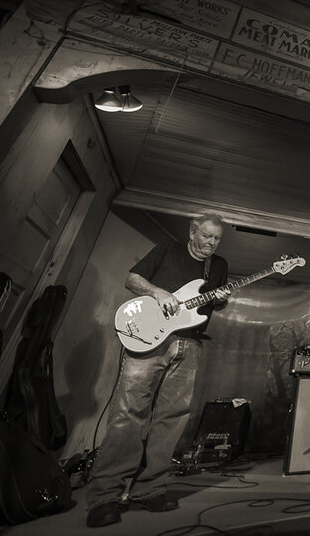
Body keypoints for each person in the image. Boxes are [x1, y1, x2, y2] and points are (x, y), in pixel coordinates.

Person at [86, 213, 231, 528]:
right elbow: (133, 279)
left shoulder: (218, 266)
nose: (211, 243)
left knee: (172, 418)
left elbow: (211, 302)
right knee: (128, 413)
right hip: (151, 341)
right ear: (192, 231)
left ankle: (151, 489)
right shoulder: (168, 248)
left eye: (217, 238)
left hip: (190, 345)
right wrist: (158, 292)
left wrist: (221, 300)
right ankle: (105, 496)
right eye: (206, 236)